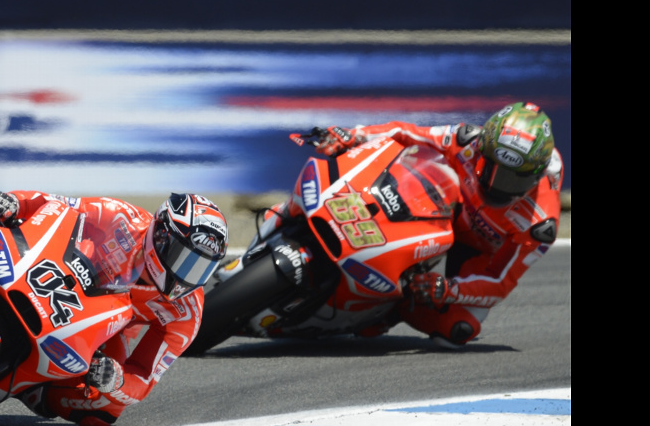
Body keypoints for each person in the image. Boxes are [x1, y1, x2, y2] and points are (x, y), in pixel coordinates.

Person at [220, 101, 563, 349]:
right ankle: (279, 222)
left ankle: (381, 311)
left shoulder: (538, 224)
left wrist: (449, 289)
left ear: (533, 176)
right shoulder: (467, 140)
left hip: (476, 248)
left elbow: (500, 282)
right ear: (484, 148)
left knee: (458, 329)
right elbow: (404, 133)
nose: (497, 184)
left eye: (512, 179)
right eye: (492, 167)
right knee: (345, 182)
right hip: (441, 201)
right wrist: (351, 136)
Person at [0, 190, 229, 426]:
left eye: (200, 269)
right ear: (163, 236)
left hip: (102, 327)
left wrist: (116, 380)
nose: (187, 277)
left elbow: (144, 378)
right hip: (56, 270)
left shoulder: (185, 311)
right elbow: (54, 204)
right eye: (185, 260)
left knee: (105, 413)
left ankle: (36, 386)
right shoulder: (120, 215)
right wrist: (11, 202)